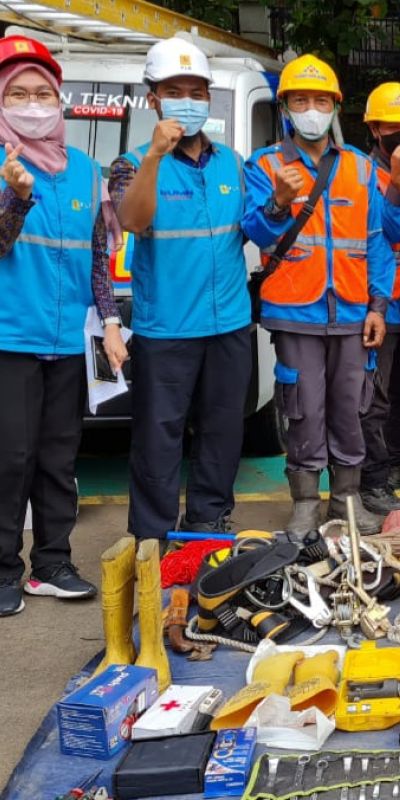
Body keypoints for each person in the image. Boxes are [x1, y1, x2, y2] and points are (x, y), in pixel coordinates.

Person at [242, 54, 397, 535]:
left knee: (351, 406)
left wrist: (378, 305)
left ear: (335, 107)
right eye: (301, 100)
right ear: (286, 108)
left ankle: (347, 499)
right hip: (295, 312)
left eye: (321, 100)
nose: (312, 109)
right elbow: (254, 232)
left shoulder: (361, 169)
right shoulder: (264, 166)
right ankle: (306, 501)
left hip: (352, 312)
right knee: (303, 407)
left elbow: (376, 242)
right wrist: (278, 202)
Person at [0, 36, 126, 614]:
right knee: (10, 457)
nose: (32, 103)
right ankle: (4, 570)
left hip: (68, 341)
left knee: (57, 457)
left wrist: (110, 323)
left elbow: (97, 258)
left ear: (60, 101)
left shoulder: (83, 170)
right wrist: (17, 200)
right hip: (11, 337)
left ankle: (50, 563)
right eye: (18, 93)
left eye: (42, 93)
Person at [111, 38, 251, 541]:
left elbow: (260, 225)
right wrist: (154, 155)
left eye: (196, 91)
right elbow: (131, 218)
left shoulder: (231, 164)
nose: (187, 100)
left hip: (229, 323)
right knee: (158, 439)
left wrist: (278, 203)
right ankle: (152, 536)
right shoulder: (130, 163)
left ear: (207, 98)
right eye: (174, 90)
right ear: (154, 99)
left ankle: (209, 523)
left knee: (222, 433)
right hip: (166, 327)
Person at [358, 81, 400, 517]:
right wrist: (397, 181)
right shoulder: (364, 175)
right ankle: (373, 479)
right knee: (374, 396)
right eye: (391, 125)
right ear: (374, 129)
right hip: (377, 304)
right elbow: (390, 233)